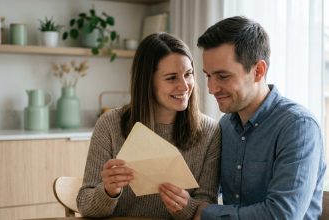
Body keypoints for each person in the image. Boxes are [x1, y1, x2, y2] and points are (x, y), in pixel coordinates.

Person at [77, 32, 220, 219]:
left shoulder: (210, 131)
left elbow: (208, 206)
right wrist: (108, 192)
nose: (184, 86)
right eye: (171, 78)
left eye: (188, 74)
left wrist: (186, 206)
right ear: (147, 81)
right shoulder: (110, 124)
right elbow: (85, 205)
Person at [196, 16, 326, 219]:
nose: (211, 88)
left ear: (258, 71)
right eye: (208, 75)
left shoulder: (298, 127)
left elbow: (282, 215)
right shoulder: (225, 126)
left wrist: (205, 214)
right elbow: (206, 189)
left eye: (223, 76)